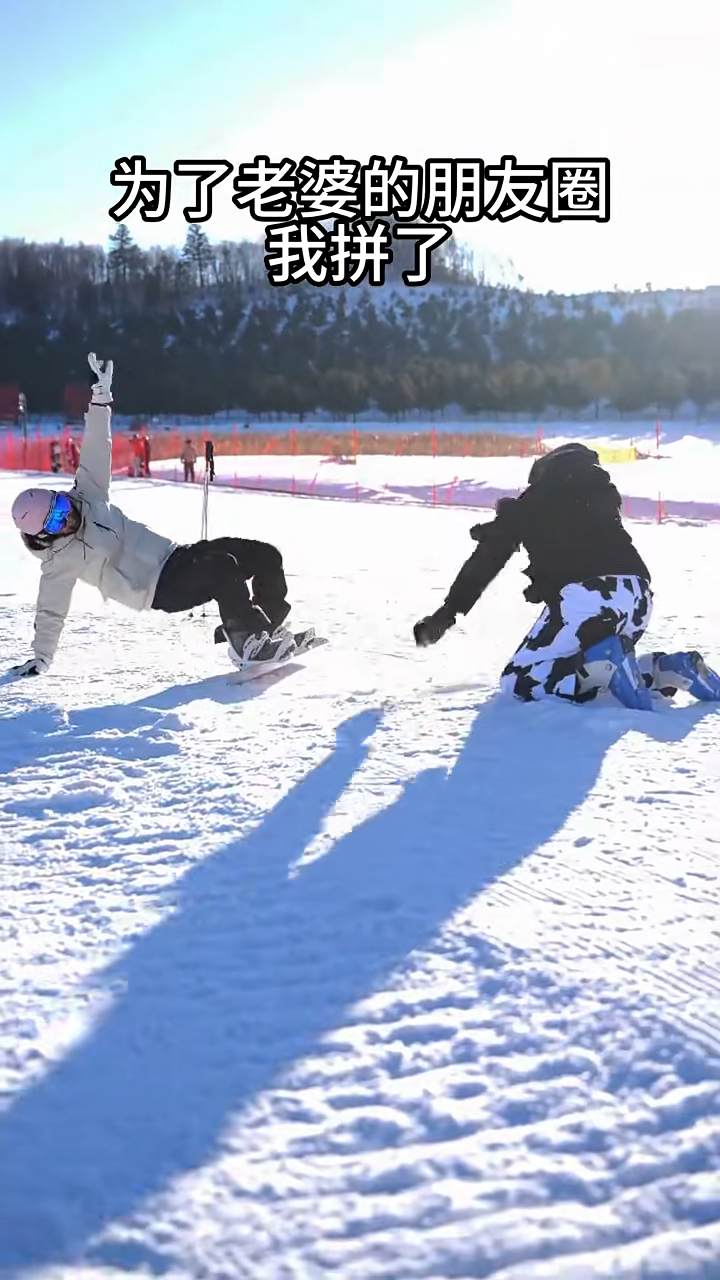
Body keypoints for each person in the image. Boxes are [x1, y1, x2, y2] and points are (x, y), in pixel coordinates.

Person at [9, 352, 309, 678]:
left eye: (62, 508)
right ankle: (246, 642)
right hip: (158, 589)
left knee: (264, 555)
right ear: (43, 535)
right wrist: (41, 658)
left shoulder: (87, 494)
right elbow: (50, 612)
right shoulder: (58, 563)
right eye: (55, 522)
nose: (67, 518)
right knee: (223, 567)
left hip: (176, 555)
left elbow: (97, 445)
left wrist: (100, 397)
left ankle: (265, 629)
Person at [413, 442, 720, 708]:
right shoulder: (598, 498)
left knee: (517, 681)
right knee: (589, 667)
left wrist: (447, 613)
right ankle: (670, 669)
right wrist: (546, 578)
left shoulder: (531, 504)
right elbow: (581, 545)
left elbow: (485, 562)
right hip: (638, 599)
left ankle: (607, 665)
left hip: (588, 600)